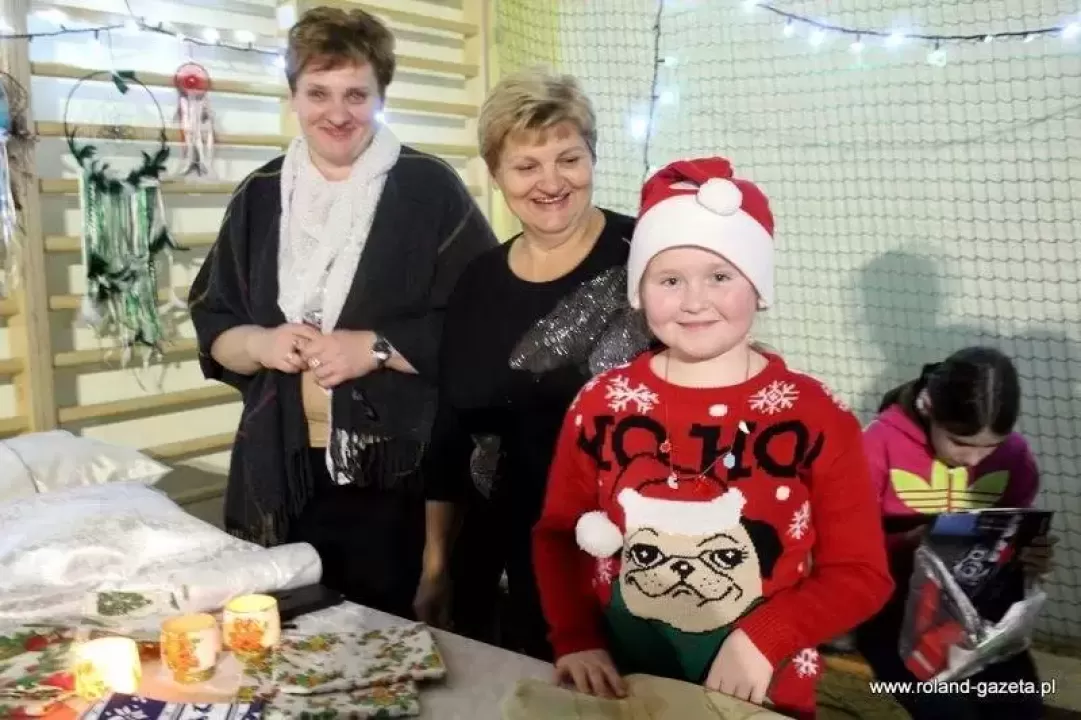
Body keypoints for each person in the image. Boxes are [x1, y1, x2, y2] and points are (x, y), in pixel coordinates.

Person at [530, 157, 894, 719]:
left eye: (720, 276)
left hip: (760, 699)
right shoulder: (602, 403)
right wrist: (575, 637)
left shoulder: (816, 414)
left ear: (758, 286)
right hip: (626, 690)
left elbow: (861, 575)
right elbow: (558, 536)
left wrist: (765, 637)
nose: (694, 300)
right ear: (640, 289)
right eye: (669, 279)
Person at [188, 7, 497, 619]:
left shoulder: (428, 188)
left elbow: (482, 324)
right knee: (287, 635)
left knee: (391, 639)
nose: (337, 113)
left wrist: (377, 347)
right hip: (279, 468)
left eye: (356, 94)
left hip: (400, 481)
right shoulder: (259, 195)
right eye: (318, 93)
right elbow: (212, 321)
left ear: (381, 97)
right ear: (293, 97)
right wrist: (260, 343)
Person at [415, 70, 641, 661]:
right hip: (496, 565)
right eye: (526, 166)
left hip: (619, 570)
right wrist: (436, 564)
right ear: (496, 174)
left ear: (593, 157)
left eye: (569, 158)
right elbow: (450, 433)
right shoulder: (478, 280)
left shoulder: (648, 259)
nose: (551, 182)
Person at [855, 347, 1054, 719]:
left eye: (991, 446)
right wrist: (912, 544)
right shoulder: (877, 445)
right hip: (891, 616)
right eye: (960, 442)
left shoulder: (1015, 456)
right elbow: (844, 547)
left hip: (981, 620)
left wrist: (1029, 559)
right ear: (929, 407)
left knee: (1023, 710)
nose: (973, 460)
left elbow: (1013, 536)